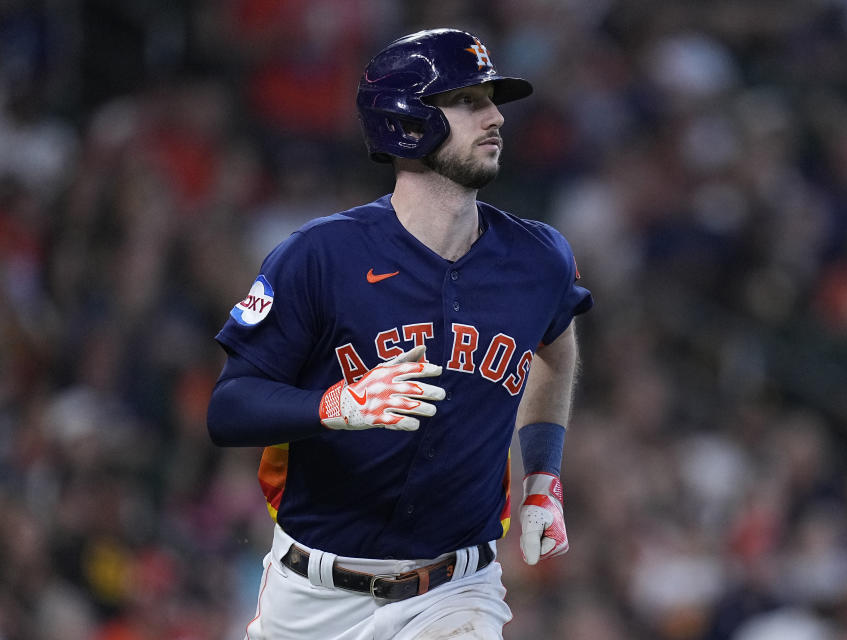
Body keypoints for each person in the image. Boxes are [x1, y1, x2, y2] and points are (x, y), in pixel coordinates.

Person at [207, 28, 593, 640]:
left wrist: (542, 474)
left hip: (455, 591)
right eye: (467, 100)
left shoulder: (538, 258)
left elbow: (556, 347)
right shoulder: (320, 256)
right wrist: (333, 404)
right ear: (405, 121)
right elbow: (228, 409)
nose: (495, 116)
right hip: (311, 595)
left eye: (492, 99)